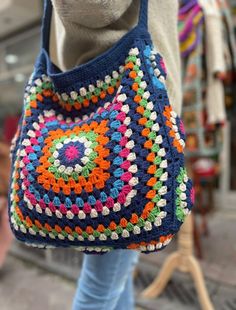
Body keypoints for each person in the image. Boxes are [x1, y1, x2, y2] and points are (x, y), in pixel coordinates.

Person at [48, 1, 182, 309]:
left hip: (124, 120)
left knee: (117, 275)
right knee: (100, 288)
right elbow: (94, 6)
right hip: (122, 125)